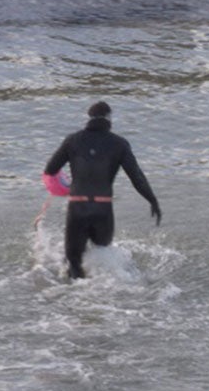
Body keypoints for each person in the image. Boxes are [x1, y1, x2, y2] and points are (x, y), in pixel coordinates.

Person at [43, 99, 162, 281]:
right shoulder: (120, 144)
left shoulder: (72, 140)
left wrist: (66, 185)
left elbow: (51, 170)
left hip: (78, 206)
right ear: (109, 119)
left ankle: (75, 298)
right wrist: (152, 200)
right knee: (103, 256)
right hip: (103, 209)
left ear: (88, 118)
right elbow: (136, 176)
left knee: (73, 261)